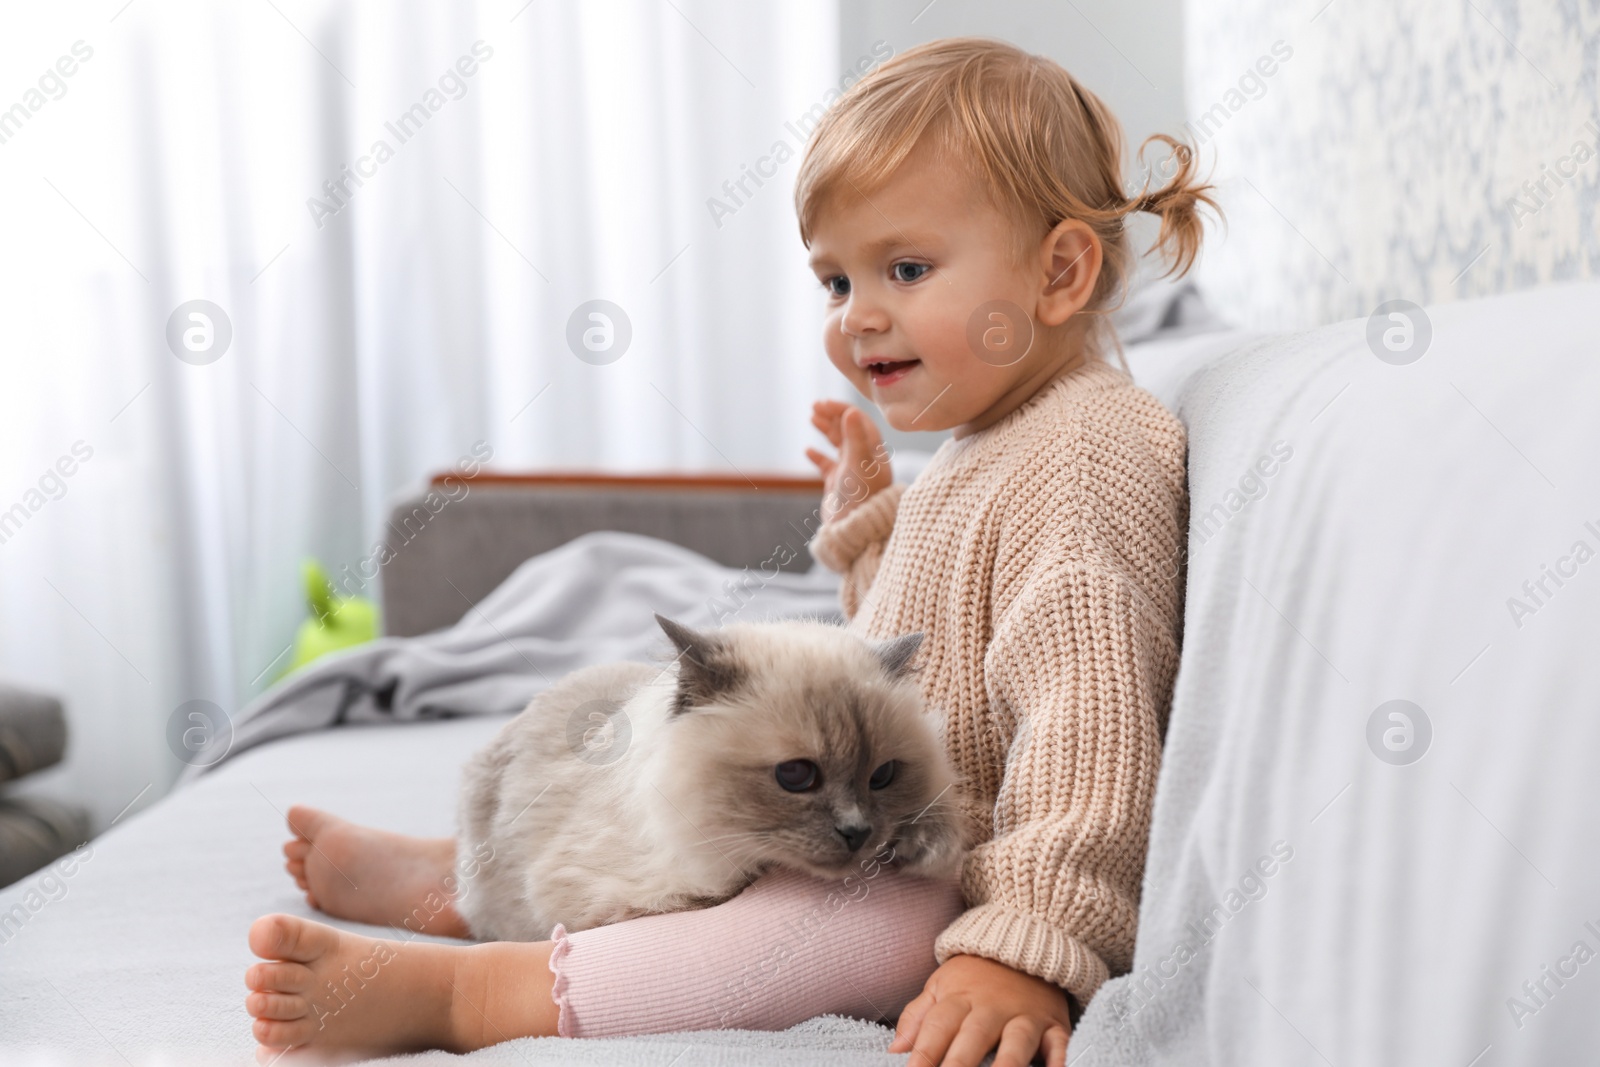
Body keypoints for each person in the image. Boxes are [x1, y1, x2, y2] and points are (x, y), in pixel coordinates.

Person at [244, 36, 1213, 1067]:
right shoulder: (995, 438)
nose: (858, 316)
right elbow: (911, 650)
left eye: (906, 267)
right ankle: (470, 871)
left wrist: (1025, 944)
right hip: (854, 825)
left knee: (866, 929)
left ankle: (482, 992)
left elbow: (1087, 728)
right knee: (708, 786)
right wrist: (868, 528)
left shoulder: (1085, 453)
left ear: (1060, 271)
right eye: (835, 280)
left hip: (927, 860)